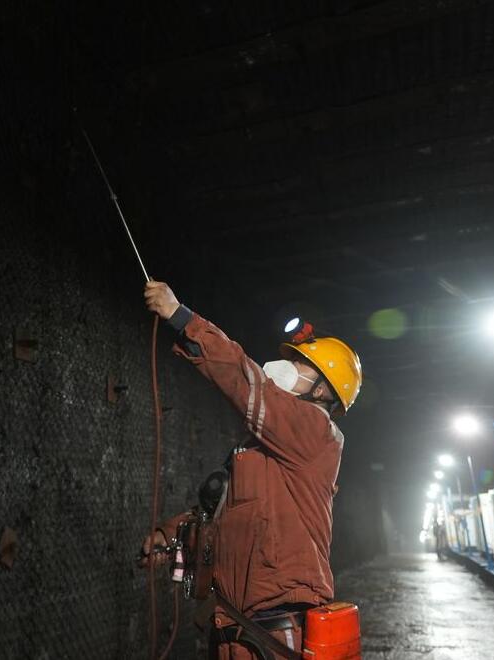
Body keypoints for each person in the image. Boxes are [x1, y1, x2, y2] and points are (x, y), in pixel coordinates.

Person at [138, 281, 362, 660]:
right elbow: (222, 514)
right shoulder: (260, 451)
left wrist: (183, 319)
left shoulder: (315, 432)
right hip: (236, 619)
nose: (289, 369)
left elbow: (247, 383)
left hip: (276, 616)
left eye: (301, 365)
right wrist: (169, 533)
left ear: (323, 391)